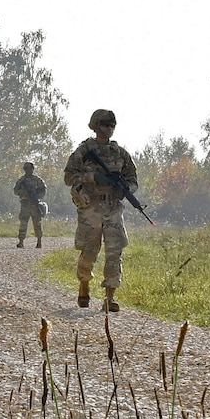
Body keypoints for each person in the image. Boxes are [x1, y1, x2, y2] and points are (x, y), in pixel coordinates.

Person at [63, 109, 138, 313]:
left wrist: (125, 189)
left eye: (112, 124)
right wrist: (93, 178)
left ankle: (110, 297)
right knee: (89, 250)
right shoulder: (84, 151)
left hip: (113, 208)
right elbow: (69, 176)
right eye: (105, 124)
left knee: (115, 251)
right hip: (90, 207)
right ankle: (84, 285)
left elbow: (132, 178)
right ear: (95, 125)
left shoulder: (120, 153)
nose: (109, 128)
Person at [14, 161, 47, 248]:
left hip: (35, 205)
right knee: (23, 223)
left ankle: (39, 242)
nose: (28, 170)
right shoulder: (21, 181)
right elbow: (15, 190)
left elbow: (43, 190)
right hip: (25, 204)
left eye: (30, 169)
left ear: (32, 169)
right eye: (26, 169)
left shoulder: (37, 180)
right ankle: (21, 241)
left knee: (37, 223)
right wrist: (22, 193)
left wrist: (37, 196)